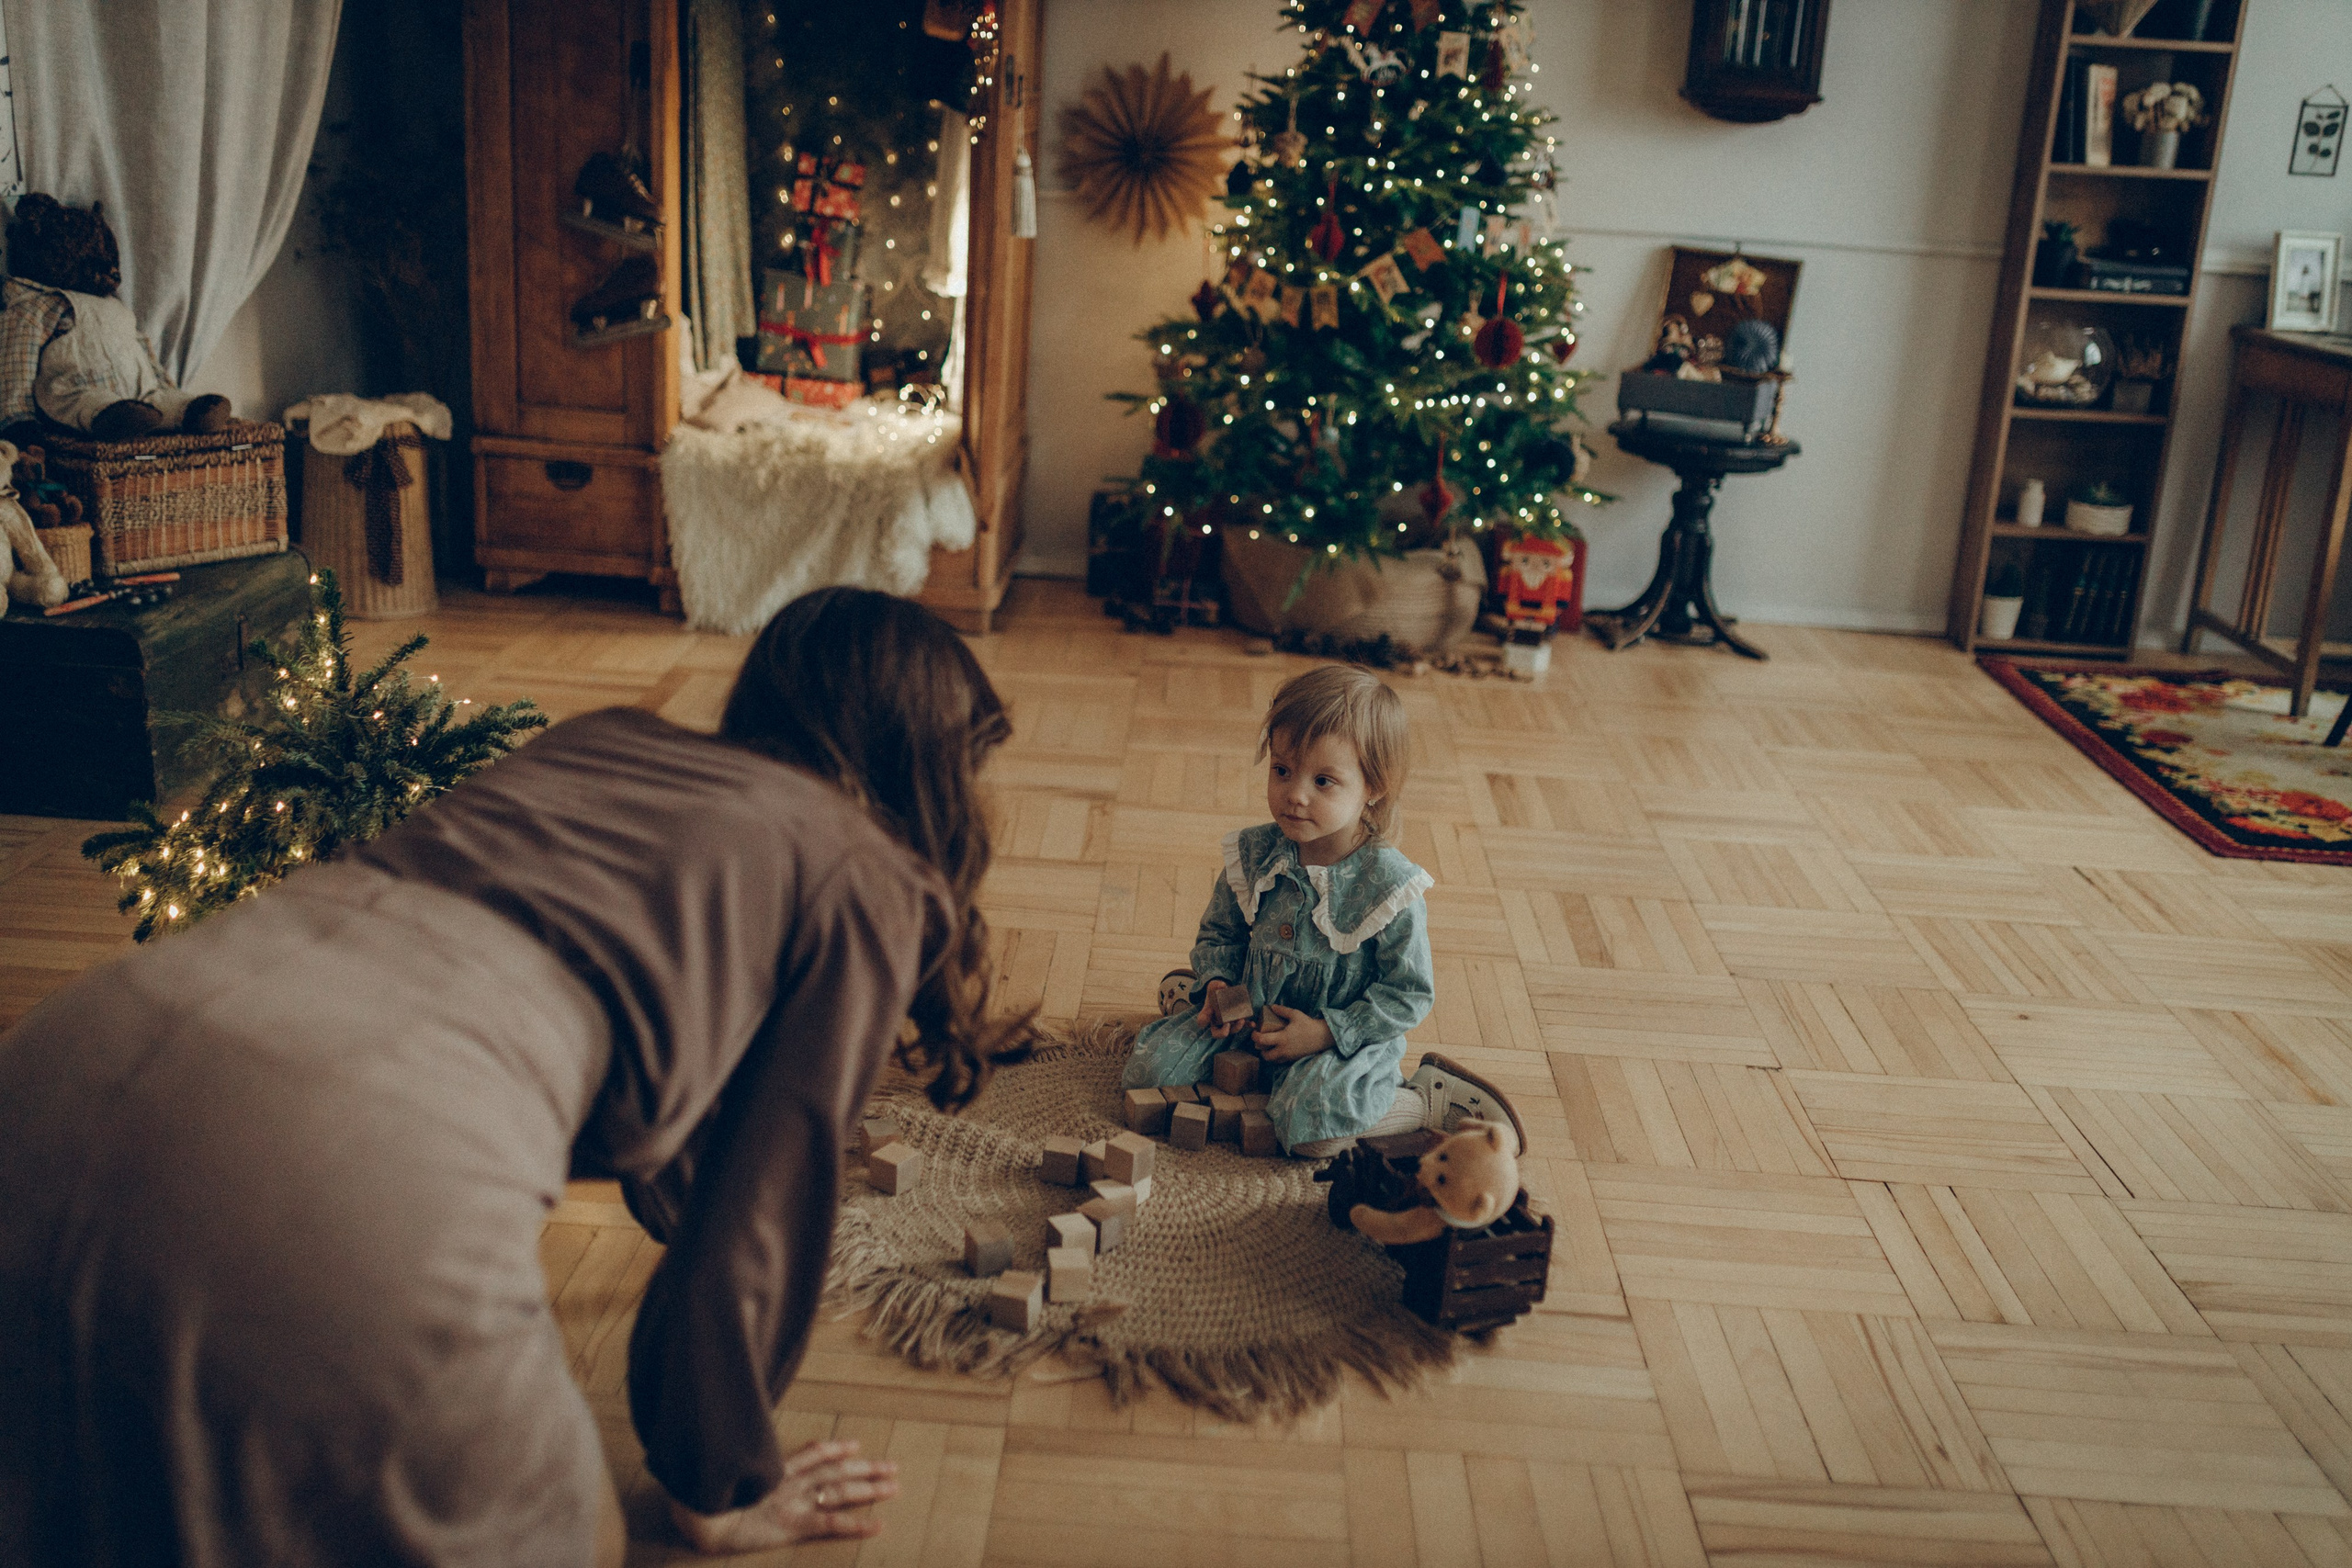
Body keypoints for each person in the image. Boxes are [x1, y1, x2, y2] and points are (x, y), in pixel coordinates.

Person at [0, 587, 1030, 1566]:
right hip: (342, 1158)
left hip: (74, 1050)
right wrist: (718, 1479)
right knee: (571, 1541)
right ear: (922, 763)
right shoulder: (866, 872)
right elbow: (757, 1210)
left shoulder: (607, 740)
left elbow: (681, 1140)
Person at [1121, 665, 1517, 1157]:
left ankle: (1422, 1104)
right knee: (1147, 1074)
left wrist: (1327, 1031)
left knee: (1316, 1136)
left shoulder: (1390, 888)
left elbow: (1407, 994)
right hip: (1251, 1027)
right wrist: (1220, 985)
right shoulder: (1254, 856)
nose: (1295, 794)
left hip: (1340, 1040)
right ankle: (1194, 992)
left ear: (1374, 786)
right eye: (1282, 770)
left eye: (1324, 780)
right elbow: (1220, 934)